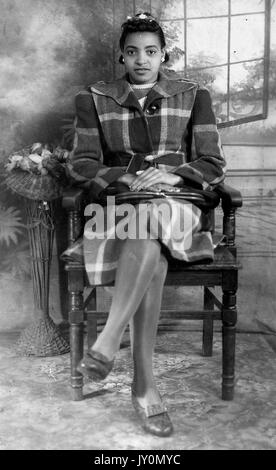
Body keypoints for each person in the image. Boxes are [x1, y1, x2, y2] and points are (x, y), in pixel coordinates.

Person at [67, 12, 226, 437]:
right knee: (145, 234)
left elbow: (214, 163)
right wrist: (126, 175)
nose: (142, 59)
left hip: (179, 206)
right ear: (121, 55)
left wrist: (174, 174)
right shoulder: (95, 97)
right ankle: (144, 388)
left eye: (150, 52)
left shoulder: (194, 94)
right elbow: (81, 164)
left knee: (153, 215)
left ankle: (109, 339)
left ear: (163, 55)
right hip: (118, 208)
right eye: (133, 51)